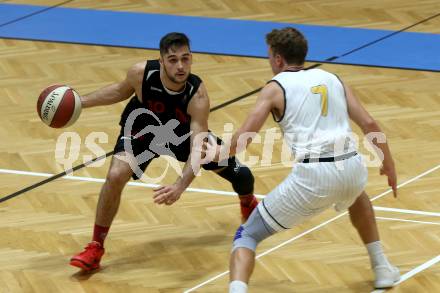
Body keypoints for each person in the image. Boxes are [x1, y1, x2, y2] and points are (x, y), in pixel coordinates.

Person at [207, 27, 400, 292]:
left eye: (269, 57)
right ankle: (381, 268)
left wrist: (217, 154)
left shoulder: (275, 88)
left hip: (314, 176)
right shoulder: (334, 78)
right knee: (358, 195)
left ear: (277, 59)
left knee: (247, 235)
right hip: (353, 166)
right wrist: (388, 163)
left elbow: (244, 138)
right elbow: (368, 122)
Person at [69, 32, 258, 272]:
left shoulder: (197, 94)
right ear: (161, 61)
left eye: (185, 59)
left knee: (242, 175)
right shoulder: (141, 73)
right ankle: (95, 246)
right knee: (115, 176)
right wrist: (80, 102)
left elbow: (198, 146)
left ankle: (247, 202)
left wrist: (180, 185)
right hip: (142, 130)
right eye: (173, 59)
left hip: (180, 136)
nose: (180, 66)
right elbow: (119, 91)